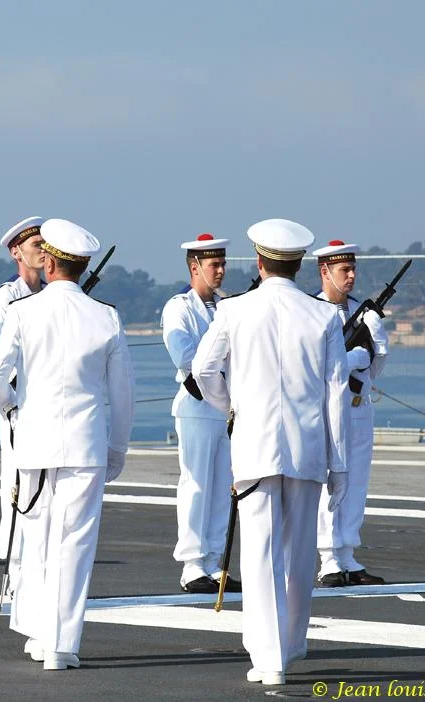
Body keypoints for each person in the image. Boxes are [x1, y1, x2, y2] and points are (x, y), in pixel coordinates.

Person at [193, 218, 349, 686]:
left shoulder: (234, 309)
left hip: (255, 444)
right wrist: (339, 464)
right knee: (299, 554)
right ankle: (290, 643)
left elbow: (204, 369)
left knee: (259, 554)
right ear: (300, 264)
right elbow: (336, 394)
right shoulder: (323, 315)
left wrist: (231, 406)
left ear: (259, 262)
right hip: (307, 447)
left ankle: (268, 657)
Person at [0, 218, 135, 671]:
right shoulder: (106, 316)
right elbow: (122, 396)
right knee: (75, 544)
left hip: (34, 443)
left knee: (37, 538)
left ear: (48, 263)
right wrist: (117, 449)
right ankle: (61, 645)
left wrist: (13, 410)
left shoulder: (23, 312)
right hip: (86, 446)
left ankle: (36, 632)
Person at [161, 233, 236, 594]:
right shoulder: (180, 308)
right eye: (213, 265)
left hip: (226, 406)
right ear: (195, 267)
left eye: (222, 264)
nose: (220, 271)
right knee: (196, 485)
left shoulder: (228, 307)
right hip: (197, 405)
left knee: (222, 486)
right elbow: (185, 356)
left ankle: (214, 561)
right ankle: (192, 564)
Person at [312, 240, 388, 587]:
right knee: (331, 483)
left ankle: (347, 554)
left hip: (359, 409)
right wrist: (355, 358)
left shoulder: (362, 312)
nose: (352, 276)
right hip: (327, 411)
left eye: (353, 269)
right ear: (325, 272)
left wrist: (374, 344)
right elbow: (319, 365)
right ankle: (329, 557)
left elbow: (376, 366)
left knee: (356, 483)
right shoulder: (312, 312)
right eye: (345, 270)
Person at [0, 216, 45, 593]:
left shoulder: (53, 294)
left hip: (47, 403)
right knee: (18, 486)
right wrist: (11, 410)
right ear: (16, 252)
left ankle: (37, 566)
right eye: (35, 244)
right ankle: (16, 568)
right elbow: (4, 358)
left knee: (45, 490)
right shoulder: (6, 298)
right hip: (20, 402)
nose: (42, 250)